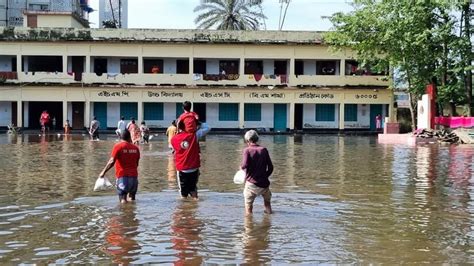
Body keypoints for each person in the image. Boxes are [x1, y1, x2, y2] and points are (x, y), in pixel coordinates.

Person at [99, 129, 140, 204]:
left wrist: (103, 172)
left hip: (122, 177)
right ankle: (132, 215)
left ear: (120, 137)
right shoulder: (136, 148)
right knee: (132, 199)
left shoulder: (118, 146)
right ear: (129, 137)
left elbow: (112, 161)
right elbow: (137, 164)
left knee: (123, 199)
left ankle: (124, 214)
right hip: (134, 178)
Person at [171, 121, 210, 199]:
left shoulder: (174, 139)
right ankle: (195, 206)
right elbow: (208, 128)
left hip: (182, 169)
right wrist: (199, 122)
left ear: (178, 128)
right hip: (194, 168)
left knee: (183, 194)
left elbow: (176, 151)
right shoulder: (194, 136)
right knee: (193, 189)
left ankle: (185, 208)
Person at [240, 130, 273, 215]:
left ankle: (249, 226)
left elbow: (244, 165)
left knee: (248, 207)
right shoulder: (264, 150)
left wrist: (241, 168)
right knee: (267, 205)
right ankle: (269, 221)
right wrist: (265, 176)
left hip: (251, 184)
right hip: (264, 183)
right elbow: (271, 167)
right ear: (257, 139)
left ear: (247, 141)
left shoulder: (247, 150)